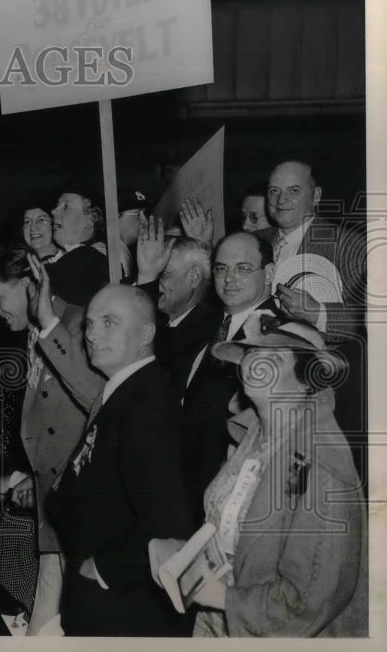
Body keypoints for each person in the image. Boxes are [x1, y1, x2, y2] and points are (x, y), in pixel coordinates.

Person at [151, 318, 367, 637]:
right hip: (221, 622)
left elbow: (309, 600)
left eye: (274, 358)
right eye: (250, 354)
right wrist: (185, 554)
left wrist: (224, 597)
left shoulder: (317, 462)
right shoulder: (255, 437)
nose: (254, 363)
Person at [45, 285, 194, 636]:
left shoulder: (146, 404)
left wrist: (101, 570)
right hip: (106, 604)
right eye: (91, 324)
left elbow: (167, 521)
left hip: (124, 610)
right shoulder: (127, 393)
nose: (93, 334)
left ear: (146, 334)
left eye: (109, 322)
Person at [0, 243, 104, 635]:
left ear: (30, 284)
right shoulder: (32, 339)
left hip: (85, 512)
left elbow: (100, 406)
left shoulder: (79, 327)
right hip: (53, 515)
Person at [181, 232, 288, 520]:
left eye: (242, 268)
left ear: (269, 273)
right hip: (187, 488)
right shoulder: (205, 324)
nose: (229, 279)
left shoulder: (280, 337)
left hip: (233, 496)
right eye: (221, 269)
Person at [261, 160, 365, 338]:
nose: (281, 200)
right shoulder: (253, 239)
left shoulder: (348, 245)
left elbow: (367, 321)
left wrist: (317, 314)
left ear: (315, 196)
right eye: (274, 191)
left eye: (293, 191)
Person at [135, 222, 222, 397]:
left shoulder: (207, 328)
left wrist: (146, 278)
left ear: (194, 277)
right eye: (153, 275)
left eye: (164, 274)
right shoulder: (163, 318)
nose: (155, 282)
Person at [46, 183, 109, 307]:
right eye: (57, 205)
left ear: (90, 221)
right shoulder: (69, 256)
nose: (53, 211)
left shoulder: (91, 258)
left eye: (66, 207)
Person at [117, 186, 153, 282]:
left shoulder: (119, 249)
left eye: (145, 214)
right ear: (116, 216)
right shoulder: (114, 253)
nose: (145, 221)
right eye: (138, 215)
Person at [21, 198, 60, 268]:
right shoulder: (19, 268)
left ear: (53, 224)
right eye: (27, 222)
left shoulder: (72, 258)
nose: (33, 228)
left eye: (41, 220)